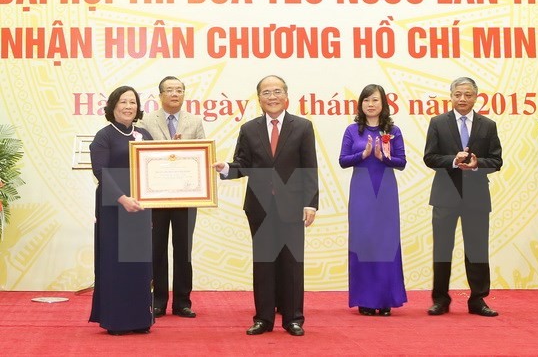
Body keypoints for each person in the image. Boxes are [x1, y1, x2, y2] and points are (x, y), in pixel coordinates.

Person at [213, 75, 318, 337]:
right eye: (266, 92)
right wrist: (226, 169)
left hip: (293, 206)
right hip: (259, 206)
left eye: (277, 91)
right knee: (264, 263)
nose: (272, 97)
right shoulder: (249, 129)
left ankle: (293, 319)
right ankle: (263, 319)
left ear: (286, 96)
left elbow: (309, 168)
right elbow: (243, 164)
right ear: (258, 98)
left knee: (292, 263)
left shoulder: (302, 127)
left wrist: (311, 204)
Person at [423, 77, 503, 317]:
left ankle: (478, 300)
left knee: (477, 250)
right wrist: (453, 161)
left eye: (468, 95)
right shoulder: (438, 122)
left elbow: (497, 161)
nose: (462, 99)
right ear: (451, 96)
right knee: (442, 249)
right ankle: (440, 300)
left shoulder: (487, 125)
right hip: (445, 195)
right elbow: (430, 158)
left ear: (476, 97)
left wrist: (478, 164)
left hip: (477, 197)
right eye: (458, 94)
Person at [137, 76, 205, 319]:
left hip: (186, 196)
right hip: (155, 197)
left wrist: (183, 150)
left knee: (183, 250)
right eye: (169, 90)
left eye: (179, 90)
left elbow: (201, 156)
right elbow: (140, 155)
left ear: (184, 94)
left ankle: (182, 302)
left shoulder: (194, 121)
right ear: (160, 95)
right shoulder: (145, 120)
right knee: (156, 249)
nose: (174, 94)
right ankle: (157, 301)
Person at [89, 86, 154, 335]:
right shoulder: (104, 136)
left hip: (140, 206)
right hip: (113, 205)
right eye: (123, 101)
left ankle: (140, 319)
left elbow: (153, 170)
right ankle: (116, 320)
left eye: (133, 102)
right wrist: (122, 198)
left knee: (139, 262)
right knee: (115, 261)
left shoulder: (144, 134)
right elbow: (101, 172)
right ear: (113, 106)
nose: (128, 106)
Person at [339, 84, 408, 316]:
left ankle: (386, 299)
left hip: (385, 191)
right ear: (361, 104)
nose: (371, 104)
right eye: (366, 100)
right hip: (361, 191)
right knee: (363, 242)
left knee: (386, 243)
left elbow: (402, 162)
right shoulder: (352, 130)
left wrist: (384, 157)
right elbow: (343, 160)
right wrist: (364, 154)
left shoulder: (393, 130)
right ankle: (365, 299)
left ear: (383, 104)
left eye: (375, 100)